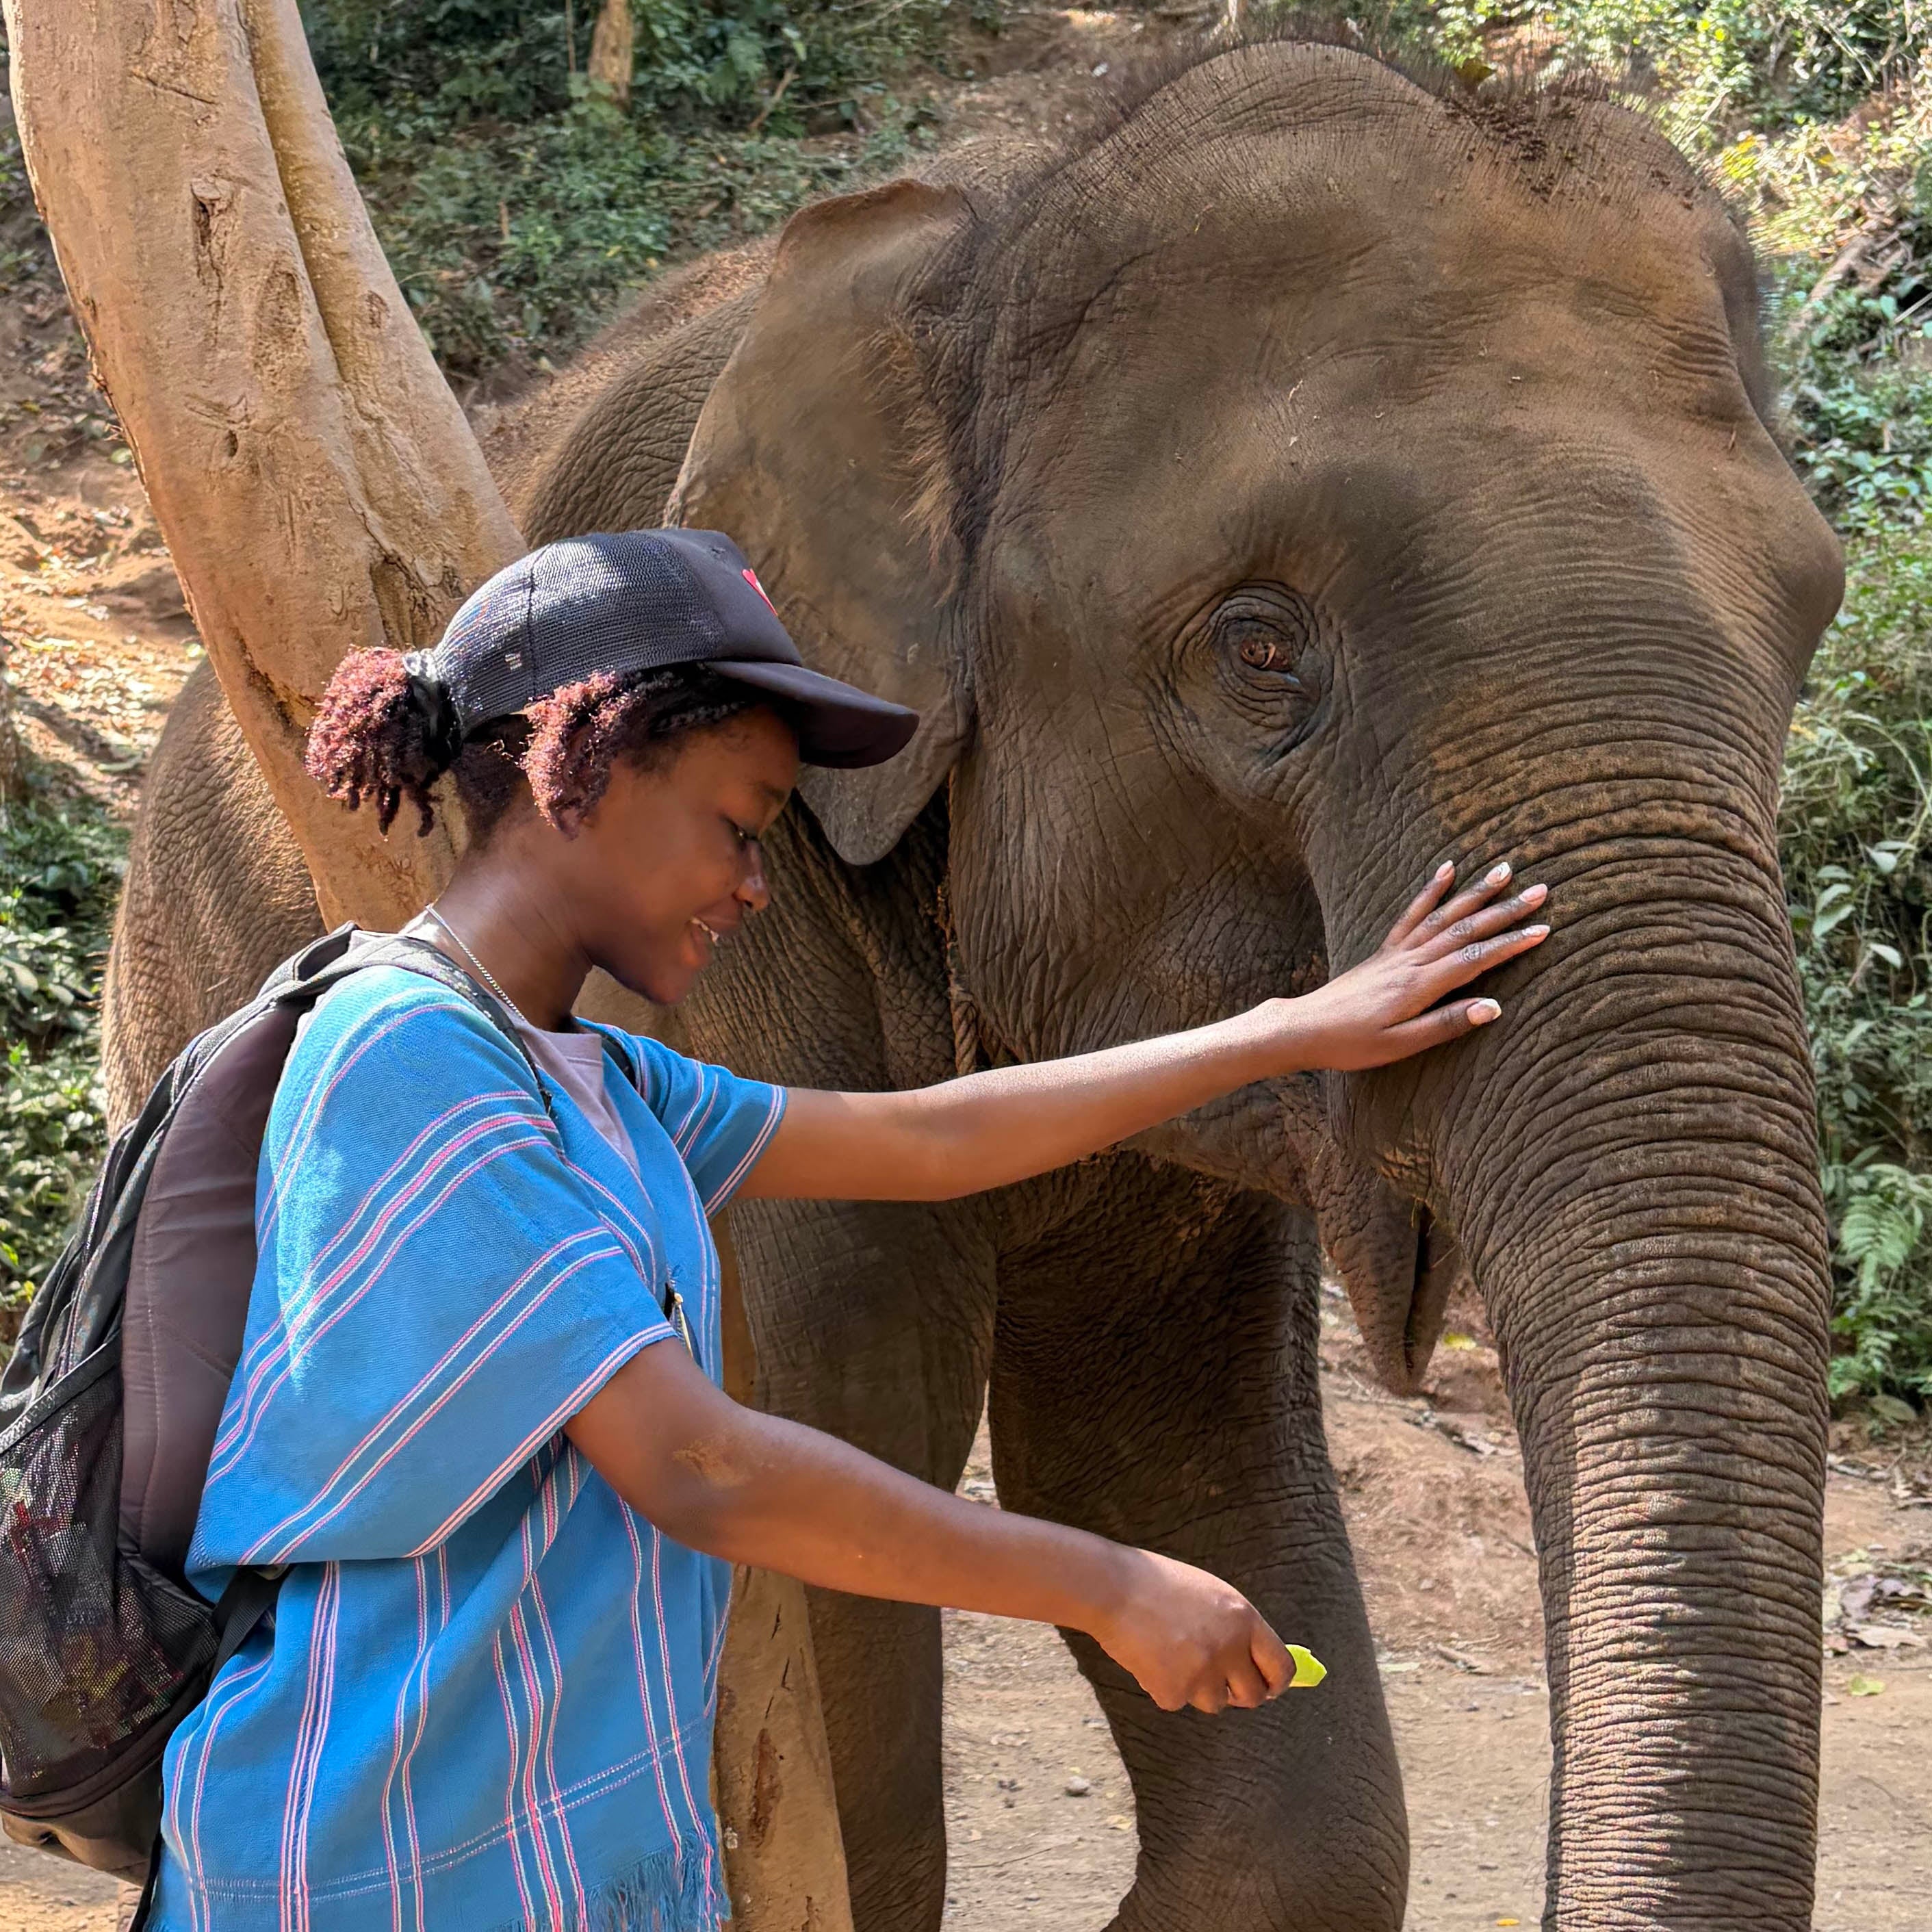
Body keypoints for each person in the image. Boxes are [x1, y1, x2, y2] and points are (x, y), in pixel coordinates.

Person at [150, 530, 1549, 1931]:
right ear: (595, 765)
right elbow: (698, 1464)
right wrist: (1108, 1583)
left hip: (534, 1859)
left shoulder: (601, 1081)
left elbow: (931, 1139)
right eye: (739, 824)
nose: (754, 883)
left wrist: (1291, 1029)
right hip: (370, 1858)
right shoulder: (409, 1053)